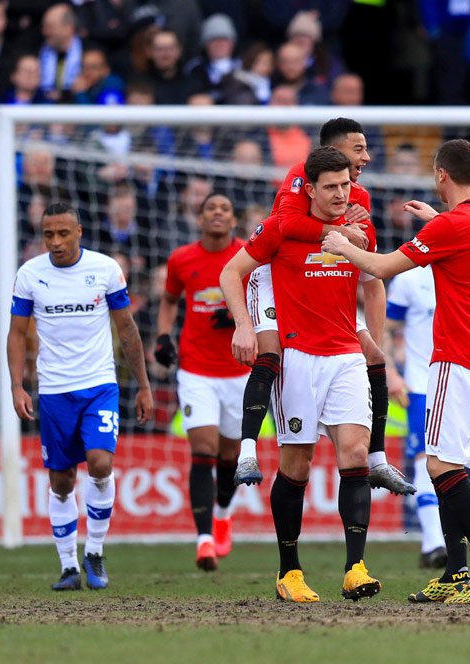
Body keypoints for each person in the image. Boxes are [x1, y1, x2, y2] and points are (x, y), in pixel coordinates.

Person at [322, 138, 470, 604]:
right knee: (452, 468)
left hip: (456, 362)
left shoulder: (452, 228)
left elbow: (384, 265)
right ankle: (455, 572)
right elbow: (467, 240)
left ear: (440, 175)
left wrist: (341, 246)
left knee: (439, 468)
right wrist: (438, 221)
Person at [220, 147, 384, 603]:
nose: (339, 193)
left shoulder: (360, 226)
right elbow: (232, 272)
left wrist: (372, 336)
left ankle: (355, 567)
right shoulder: (280, 229)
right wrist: (243, 325)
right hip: (298, 359)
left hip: (344, 354)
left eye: (345, 185)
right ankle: (289, 571)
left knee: (353, 452)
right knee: (297, 463)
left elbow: (375, 278)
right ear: (308, 189)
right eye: (329, 186)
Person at [234, 116, 414, 496]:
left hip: (326, 286)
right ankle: (247, 452)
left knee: (373, 357)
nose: (366, 156)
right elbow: (285, 223)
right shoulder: (300, 175)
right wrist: (341, 230)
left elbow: (371, 269)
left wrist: (373, 337)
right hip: (275, 274)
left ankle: (377, 459)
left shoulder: (359, 195)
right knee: (270, 352)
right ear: (333, 151)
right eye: (358, 149)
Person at [7, 203, 153, 592]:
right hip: (54, 391)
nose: (55, 242)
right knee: (61, 480)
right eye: (48, 235)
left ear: (79, 232)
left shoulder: (105, 270)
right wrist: (17, 385)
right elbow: (17, 333)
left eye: (63, 233)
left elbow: (127, 329)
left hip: (99, 385)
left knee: (100, 463)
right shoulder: (30, 275)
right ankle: (69, 566)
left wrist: (143, 384)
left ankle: (95, 551)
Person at [153, 192, 249, 573]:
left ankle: (224, 515)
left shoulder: (249, 255)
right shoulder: (182, 259)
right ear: (200, 217)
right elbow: (169, 300)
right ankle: (204, 538)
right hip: (195, 370)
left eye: (225, 208)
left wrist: (242, 320)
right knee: (203, 449)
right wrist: (163, 336)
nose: (218, 214)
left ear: (233, 219)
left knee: (229, 456)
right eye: (211, 208)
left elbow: (264, 299)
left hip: (239, 369)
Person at [384, 264, 447, 569]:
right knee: (426, 461)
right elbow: (386, 327)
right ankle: (434, 542)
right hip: (422, 386)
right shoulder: (409, 279)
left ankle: (437, 543)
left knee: (452, 465)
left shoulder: (468, 270)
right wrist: (391, 372)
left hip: (460, 383)